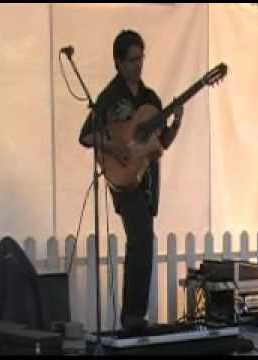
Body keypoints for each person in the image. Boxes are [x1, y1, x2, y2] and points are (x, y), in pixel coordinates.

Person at [78, 30, 184, 333]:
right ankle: (132, 316)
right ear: (118, 62)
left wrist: (176, 122)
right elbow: (86, 135)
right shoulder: (110, 97)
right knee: (141, 238)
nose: (139, 65)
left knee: (143, 241)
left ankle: (135, 314)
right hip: (123, 176)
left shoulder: (151, 100)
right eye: (132, 60)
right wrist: (116, 147)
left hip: (147, 177)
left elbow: (160, 144)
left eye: (141, 58)